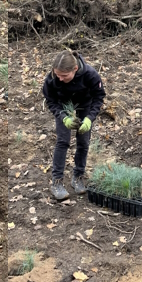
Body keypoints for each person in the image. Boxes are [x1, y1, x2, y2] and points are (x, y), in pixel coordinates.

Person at [42, 50, 106, 200]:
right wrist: (63, 117)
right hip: (63, 106)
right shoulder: (52, 79)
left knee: (83, 142)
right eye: (57, 74)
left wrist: (90, 118)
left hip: (85, 105)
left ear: (75, 69)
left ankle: (78, 177)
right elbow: (50, 100)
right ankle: (56, 182)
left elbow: (99, 97)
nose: (60, 78)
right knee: (63, 141)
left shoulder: (90, 74)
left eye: (64, 76)